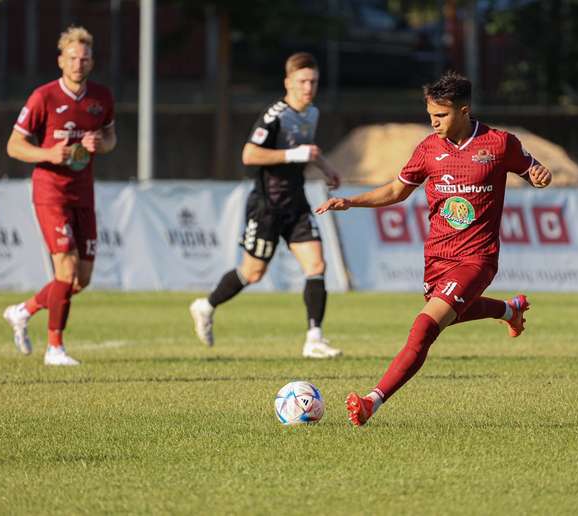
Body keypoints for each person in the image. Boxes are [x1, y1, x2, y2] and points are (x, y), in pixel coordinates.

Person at [316, 71, 552, 425]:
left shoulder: (499, 144)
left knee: (424, 328)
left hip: (477, 259)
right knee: (449, 313)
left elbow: (532, 169)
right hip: (438, 257)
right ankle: (509, 310)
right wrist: (351, 201)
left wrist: (539, 175)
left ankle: (371, 402)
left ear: (464, 111)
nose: (433, 123)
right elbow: (396, 191)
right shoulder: (428, 149)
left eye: (440, 116)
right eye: (430, 116)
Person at [190, 52, 343, 358]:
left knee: (317, 265)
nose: (308, 87)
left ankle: (314, 338)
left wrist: (326, 168)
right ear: (288, 82)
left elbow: (306, 150)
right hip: (267, 205)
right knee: (253, 273)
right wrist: (292, 156)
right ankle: (205, 306)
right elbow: (249, 155)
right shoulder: (274, 116)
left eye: (313, 81)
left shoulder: (311, 113)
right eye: (302, 81)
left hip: (296, 202)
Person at [2, 26, 117, 366]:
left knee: (80, 280)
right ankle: (55, 348)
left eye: (84, 58)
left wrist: (101, 144)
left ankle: (23, 311)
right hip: (50, 192)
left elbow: (110, 138)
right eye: (72, 58)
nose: (78, 64)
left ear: (92, 62)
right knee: (64, 270)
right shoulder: (44, 97)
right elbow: (14, 146)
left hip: (83, 194)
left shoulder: (101, 98)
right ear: (60, 61)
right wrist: (49, 154)